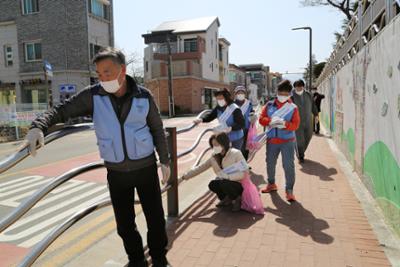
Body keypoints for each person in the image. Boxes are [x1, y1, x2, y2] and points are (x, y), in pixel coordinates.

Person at [23, 47, 171, 267]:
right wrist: (38, 127)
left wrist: (165, 161)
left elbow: (157, 130)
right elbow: (62, 110)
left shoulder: (143, 95)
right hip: (116, 173)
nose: (102, 78)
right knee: (124, 225)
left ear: (123, 70)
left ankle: (159, 259)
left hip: (146, 169)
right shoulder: (93, 95)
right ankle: (136, 260)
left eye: (107, 72)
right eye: (99, 74)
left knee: (156, 220)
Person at [181, 132, 249, 212]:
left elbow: (245, 172)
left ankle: (237, 199)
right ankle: (226, 198)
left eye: (217, 144)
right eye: (213, 145)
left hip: (238, 183)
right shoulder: (214, 156)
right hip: (225, 181)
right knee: (212, 184)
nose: (215, 147)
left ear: (224, 143)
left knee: (224, 183)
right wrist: (185, 176)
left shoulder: (236, 153)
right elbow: (201, 167)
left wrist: (228, 177)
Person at [258, 80, 300, 202]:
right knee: (270, 163)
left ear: (290, 94)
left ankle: (289, 191)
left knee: (288, 166)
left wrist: (285, 124)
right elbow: (261, 119)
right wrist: (269, 121)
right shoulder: (269, 105)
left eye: (286, 94)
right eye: (281, 93)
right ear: (277, 92)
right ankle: (271, 184)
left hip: (287, 141)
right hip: (272, 141)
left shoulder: (293, 108)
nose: (283, 96)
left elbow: (296, 125)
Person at [291, 79, 318, 163]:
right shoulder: (291, 96)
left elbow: (313, 105)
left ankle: (301, 151)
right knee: (299, 140)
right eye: (297, 87)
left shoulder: (308, 95)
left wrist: (316, 115)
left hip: (308, 120)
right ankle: (300, 155)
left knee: (308, 136)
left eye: (300, 86)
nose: (299, 88)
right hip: (297, 122)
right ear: (294, 87)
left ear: (303, 86)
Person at [233, 86, 256, 160]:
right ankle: (236, 164)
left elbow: (251, 112)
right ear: (235, 94)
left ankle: (244, 164)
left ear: (245, 94)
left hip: (246, 128)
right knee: (237, 147)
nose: (240, 94)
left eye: (242, 93)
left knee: (245, 147)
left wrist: (253, 115)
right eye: (238, 93)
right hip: (236, 129)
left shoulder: (248, 103)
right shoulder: (231, 104)